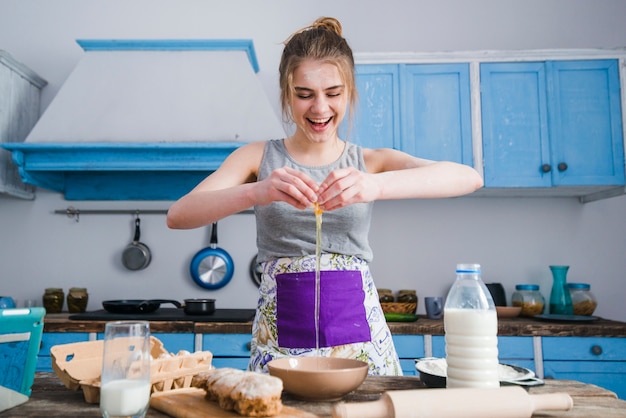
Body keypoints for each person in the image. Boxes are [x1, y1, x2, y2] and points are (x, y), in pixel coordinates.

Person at [167, 16, 483, 375]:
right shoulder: (258, 157)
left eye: (333, 93)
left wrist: (374, 185)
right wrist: (258, 190)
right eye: (305, 95)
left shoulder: (369, 161)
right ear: (287, 94)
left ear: (348, 92)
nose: (319, 108)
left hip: (361, 342)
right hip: (280, 339)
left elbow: (468, 178)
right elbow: (179, 215)